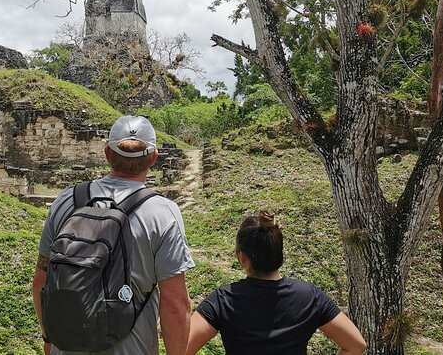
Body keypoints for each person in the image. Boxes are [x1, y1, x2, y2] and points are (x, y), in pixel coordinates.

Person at [33, 115, 195, 355]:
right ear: (153, 157)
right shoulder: (162, 213)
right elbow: (174, 304)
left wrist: (49, 338)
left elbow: (41, 280)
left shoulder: (67, 200)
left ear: (107, 153)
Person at [186, 211, 366, 355]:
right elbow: (355, 345)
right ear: (279, 253)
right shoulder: (309, 296)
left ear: (241, 257)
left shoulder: (224, 300)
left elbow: (182, 349)